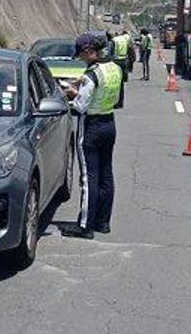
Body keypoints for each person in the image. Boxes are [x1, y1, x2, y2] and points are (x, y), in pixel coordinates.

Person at [61, 32, 122, 239]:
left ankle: (85, 226)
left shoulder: (91, 74)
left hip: (91, 127)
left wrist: (72, 93)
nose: (80, 58)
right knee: (106, 174)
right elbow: (116, 99)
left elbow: (80, 106)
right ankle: (102, 222)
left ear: (88, 51)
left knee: (89, 178)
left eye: (80, 54)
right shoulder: (114, 68)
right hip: (109, 123)